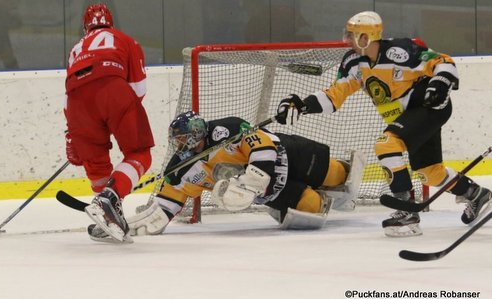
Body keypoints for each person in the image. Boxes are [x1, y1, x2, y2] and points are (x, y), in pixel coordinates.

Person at [275, 11, 492, 237]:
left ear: (367, 36)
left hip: (429, 107)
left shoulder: (399, 52)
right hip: (407, 118)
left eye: (352, 35)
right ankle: (476, 194)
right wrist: (302, 105)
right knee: (429, 172)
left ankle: (405, 211)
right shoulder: (353, 62)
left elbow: (443, 61)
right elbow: (334, 95)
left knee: (386, 144)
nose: (347, 40)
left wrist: (440, 82)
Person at [88, 111, 365, 241]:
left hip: (288, 155)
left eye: (186, 139)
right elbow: (164, 206)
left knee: (337, 173)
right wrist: (124, 225)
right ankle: (326, 198)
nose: (182, 145)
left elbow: (262, 146)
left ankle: (340, 183)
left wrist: (253, 180)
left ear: (198, 133)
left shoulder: (225, 129)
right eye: (178, 141)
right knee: (312, 206)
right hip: (273, 192)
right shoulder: (180, 168)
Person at [64, 4, 154, 243]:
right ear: (111, 23)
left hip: (76, 105)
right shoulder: (125, 40)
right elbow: (137, 88)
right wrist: (120, 119)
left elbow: (67, 96)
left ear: (85, 26)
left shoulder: (76, 49)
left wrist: (72, 136)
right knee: (140, 153)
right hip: (113, 91)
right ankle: (109, 201)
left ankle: (107, 218)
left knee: (96, 166)